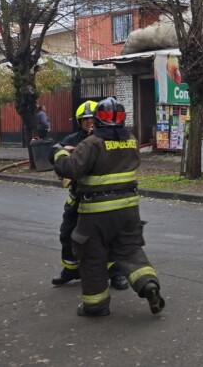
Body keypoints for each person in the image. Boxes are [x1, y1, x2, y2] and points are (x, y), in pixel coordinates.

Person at [51, 97, 164, 317]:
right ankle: (148, 283)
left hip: (97, 212)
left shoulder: (92, 143)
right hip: (129, 210)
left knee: (92, 256)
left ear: (97, 120)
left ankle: (96, 305)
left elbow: (70, 169)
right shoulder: (131, 141)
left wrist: (59, 153)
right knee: (130, 250)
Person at [51, 101, 129, 291]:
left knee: (108, 237)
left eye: (91, 119)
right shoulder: (73, 139)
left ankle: (116, 274)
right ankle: (71, 270)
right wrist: (60, 152)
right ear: (79, 122)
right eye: (84, 119)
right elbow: (55, 151)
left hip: (103, 199)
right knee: (67, 233)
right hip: (78, 198)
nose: (89, 122)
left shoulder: (108, 139)